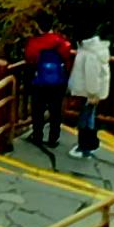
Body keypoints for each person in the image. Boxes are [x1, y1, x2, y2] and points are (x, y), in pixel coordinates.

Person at [19, 26, 74, 155]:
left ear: (38, 26)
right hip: (58, 81)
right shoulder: (60, 42)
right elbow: (66, 54)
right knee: (55, 110)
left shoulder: (34, 42)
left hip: (40, 81)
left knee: (38, 109)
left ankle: (37, 136)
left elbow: (29, 57)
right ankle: (53, 138)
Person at [68, 31, 113, 157]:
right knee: (90, 117)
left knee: (85, 118)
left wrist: (92, 94)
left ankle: (85, 147)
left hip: (88, 92)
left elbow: (91, 76)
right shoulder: (97, 50)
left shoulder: (89, 53)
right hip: (93, 91)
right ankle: (90, 144)